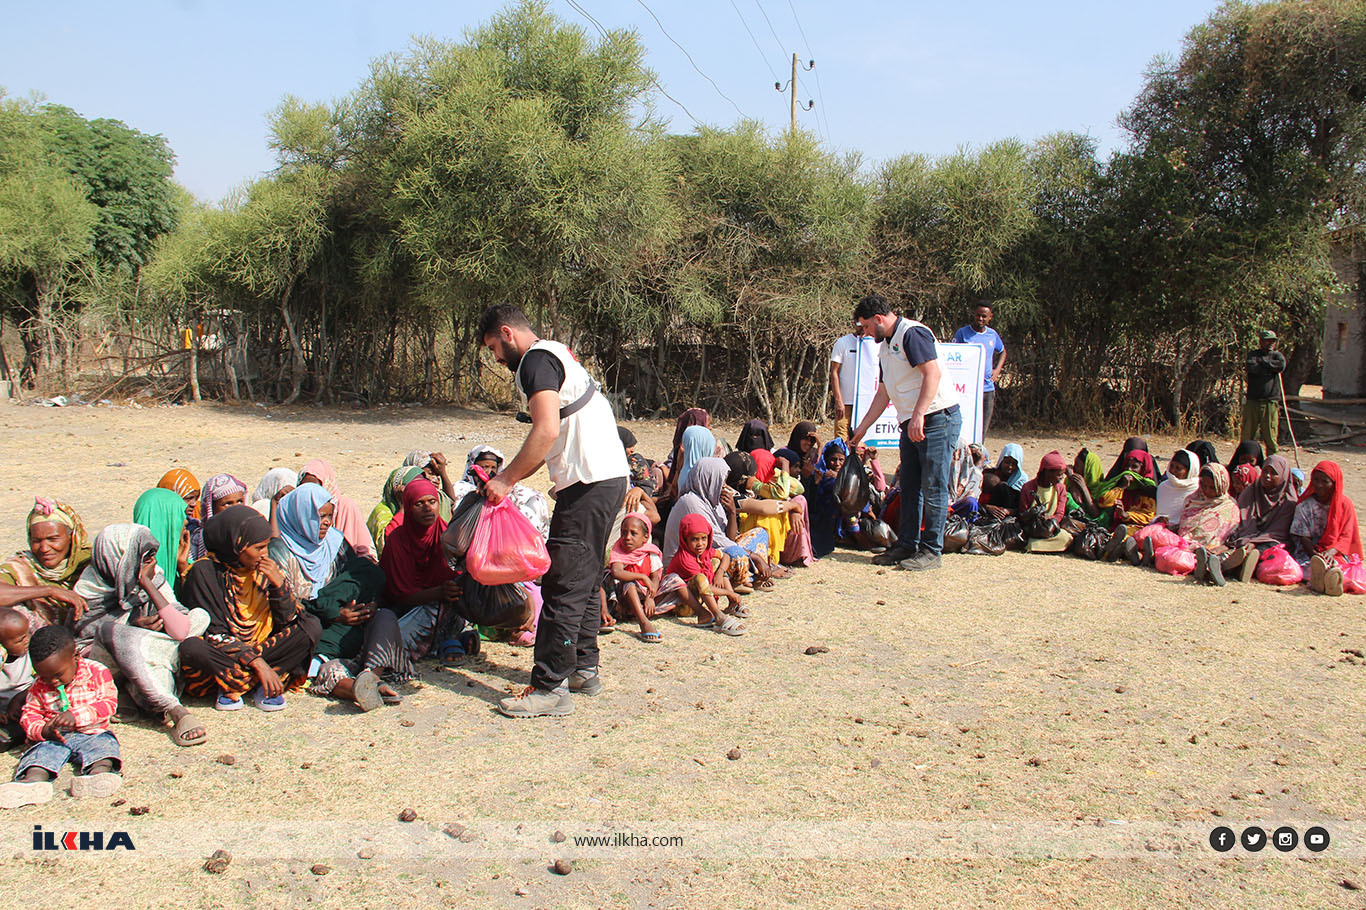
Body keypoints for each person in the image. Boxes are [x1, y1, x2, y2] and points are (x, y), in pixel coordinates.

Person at [478, 304, 629, 718]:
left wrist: (505, 480)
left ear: (507, 334)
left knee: (562, 581)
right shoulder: (556, 352)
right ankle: (582, 667)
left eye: (493, 347)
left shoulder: (534, 362)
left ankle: (550, 687)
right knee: (581, 576)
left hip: (590, 481)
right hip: (607, 477)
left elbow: (546, 429)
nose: (495, 358)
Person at [849, 295, 962, 571]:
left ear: (878, 319)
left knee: (933, 486)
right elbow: (884, 392)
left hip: (936, 419)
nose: (863, 332)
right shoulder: (885, 347)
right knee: (908, 486)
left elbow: (931, 374)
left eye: (864, 326)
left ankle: (931, 550)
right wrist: (861, 430)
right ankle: (907, 545)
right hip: (911, 421)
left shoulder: (912, 334)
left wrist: (920, 414)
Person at [71, 525, 211, 747]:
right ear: (116, 559)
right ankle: (175, 711)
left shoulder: (154, 579)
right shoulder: (89, 590)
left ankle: (134, 695)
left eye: (152, 556)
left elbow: (181, 630)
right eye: (143, 558)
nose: (151, 563)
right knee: (111, 631)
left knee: (200, 616)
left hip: (150, 652)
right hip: (104, 663)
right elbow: (87, 638)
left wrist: (147, 584)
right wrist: (133, 624)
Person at [272, 485, 408, 711]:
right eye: (319, 516)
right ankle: (350, 684)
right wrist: (334, 614)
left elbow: (351, 579)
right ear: (300, 515)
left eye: (329, 516)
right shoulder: (278, 551)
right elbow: (285, 607)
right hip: (309, 626)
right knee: (313, 638)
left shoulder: (334, 541)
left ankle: (371, 676)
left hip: (345, 622)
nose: (326, 522)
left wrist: (362, 607)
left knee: (383, 615)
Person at [179, 506, 321, 712]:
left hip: (263, 647)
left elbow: (286, 621)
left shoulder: (266, 569)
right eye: (258, 548)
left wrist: (279, 586)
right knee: (192, 648)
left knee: (311, 625)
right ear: (236, 546)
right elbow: (213, 633)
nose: (265, 554)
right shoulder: (205, 572)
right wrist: (257, 663)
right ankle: (260, 679)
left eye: (266, 546)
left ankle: (232, 684)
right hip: (226, 652)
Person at [0, 625, 120, 808]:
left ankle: (98, 775)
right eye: (44, 677)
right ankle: (33, 783)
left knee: (103, 747)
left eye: (58, 675)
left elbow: (108, 704)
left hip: (90, 732)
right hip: (55, 738)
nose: (52, 682)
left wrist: (76, 715)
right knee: (41, 753)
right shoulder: (39, 685)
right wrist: (42, 730)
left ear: (75, 656)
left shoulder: (97, 673)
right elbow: (29, 713)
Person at [378, 478, 468, 664]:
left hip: (446, 604)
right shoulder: (397, 541)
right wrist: (437, 592)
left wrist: (447, 590)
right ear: (408, 507)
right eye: (419, 503)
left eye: (432, 502)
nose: (427, 508)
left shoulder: (448, 535)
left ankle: (450, 637)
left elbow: (458, 576)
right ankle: (452, 640)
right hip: (406, 607)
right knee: (393, 647)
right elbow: (398, 594)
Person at [0, 497, 91, 629]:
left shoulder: (91, 562)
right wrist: (48, 591)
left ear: (72, 538)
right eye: (36, 541)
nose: (44, 548)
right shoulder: (23, 565)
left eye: (52, 539)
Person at [606, 513, 685, 642]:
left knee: (674, 579)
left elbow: (655, 578)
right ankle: (643, 622)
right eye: (623, 532)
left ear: (645, 537)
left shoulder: (650, 553)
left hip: (646, 597)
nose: (627, 537)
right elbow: (616, 572)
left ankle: (701, 613)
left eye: (633, 533)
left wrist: (650, 598)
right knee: (629, 583)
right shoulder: (619, 551)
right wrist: (642, 577)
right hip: (624, 599)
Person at [1219, 454, 1297, 583]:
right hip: (1246, 537)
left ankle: (1240, 565)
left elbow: (1278, 532)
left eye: (1274, 474)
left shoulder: (1289, 502)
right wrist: (1246, 540)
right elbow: (1243, 519)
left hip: (1270, 540)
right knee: (1233, 543)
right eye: (1265, 471)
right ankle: (1232, 563)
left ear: (1283, 476)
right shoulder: (1251, 491)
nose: (1267, 476)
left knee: (1270, 550)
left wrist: (1255, 542)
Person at [665, 514, 745, 635]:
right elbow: (703, 584)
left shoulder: (705, 552)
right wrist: (729, 592)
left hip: (702, 597)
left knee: (717, 563)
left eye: (704, 538)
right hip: (685, 605)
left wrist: (720, 572)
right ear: (685, 539)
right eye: (694, 539)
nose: (700, 544)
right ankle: (719, 617)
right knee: (701, 577)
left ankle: (733, 604)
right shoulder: (684, 558)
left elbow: (726, 557)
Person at [1291, 461, 1362, 596]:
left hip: (1335, 553)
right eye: (1316, 480)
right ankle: (1322, 578)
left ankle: (1329, 580)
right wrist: (1316, 557)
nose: (1319, 485)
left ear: (1334, 483)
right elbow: (1303, 536)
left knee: (1343, 570)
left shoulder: (1345, 505)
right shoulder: (1305, 506)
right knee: (1299, 570)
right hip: (1309, 553)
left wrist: (1330, 553)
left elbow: (1346, 536)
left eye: (1325, 481)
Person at [297, 460, 376, 561]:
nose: (310, 495)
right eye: (305, 489)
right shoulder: (296, 513)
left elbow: (366, 553)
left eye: (316, 488)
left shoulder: (346, 508)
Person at [952, 301, 1006, 440]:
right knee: (965, 422)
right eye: (978, 315)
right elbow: (952, 353)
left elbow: (1002, 352)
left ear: (990, 317)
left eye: (984, 316)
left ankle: (979, 454)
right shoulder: (963, 333)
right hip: (966, 389)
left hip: (986, 388)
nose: (980, 319)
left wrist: (997, 370)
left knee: (983, 425)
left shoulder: (992, 335)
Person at [132, 488, 194, 591]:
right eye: (179, 516)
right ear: (163, 522)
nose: (185, 522)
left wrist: (183, 566)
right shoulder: (129, 574)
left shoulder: (186, 567)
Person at [829, 319, 879, 440]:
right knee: (841, 440)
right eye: (859, 324)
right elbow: (834, 372)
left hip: (868, 402)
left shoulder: (878, 344)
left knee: (863, 442)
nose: (862, 328)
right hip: (846, 402)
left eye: (865, 325)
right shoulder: (843, 343)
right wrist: (839, 400)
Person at [1018, 451, 1072, 552]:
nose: (1061, 478)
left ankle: (1037, 546)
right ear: (1047, 472)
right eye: (1059, 475)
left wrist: (1051, 519)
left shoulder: (1061, 488)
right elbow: (1023, 512)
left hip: (1051, 527)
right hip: (1033, 528)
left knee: (1066, 538)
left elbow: (1060, 513)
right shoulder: (1028, 487)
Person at [1244, 330, 1286, 456]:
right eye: (1268, 340)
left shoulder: (1277, 356)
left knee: (1270, 436)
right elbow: (1252, 368)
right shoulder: (1253, 355)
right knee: (1247, 435)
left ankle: (1272, 462)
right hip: (1253, 401)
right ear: (1261, 341)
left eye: (1273, 341)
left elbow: (1281, 366)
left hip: (1270, 402)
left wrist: (1264, 363)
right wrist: (1269, 366)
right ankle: (1246, 461)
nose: (1271, 343)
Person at [0, 608, 33, 750]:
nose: (27, 640)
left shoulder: (32, 653)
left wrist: (20, 698)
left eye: (27, 634)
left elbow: (43, 681)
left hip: (28, 702)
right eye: (20, 639)